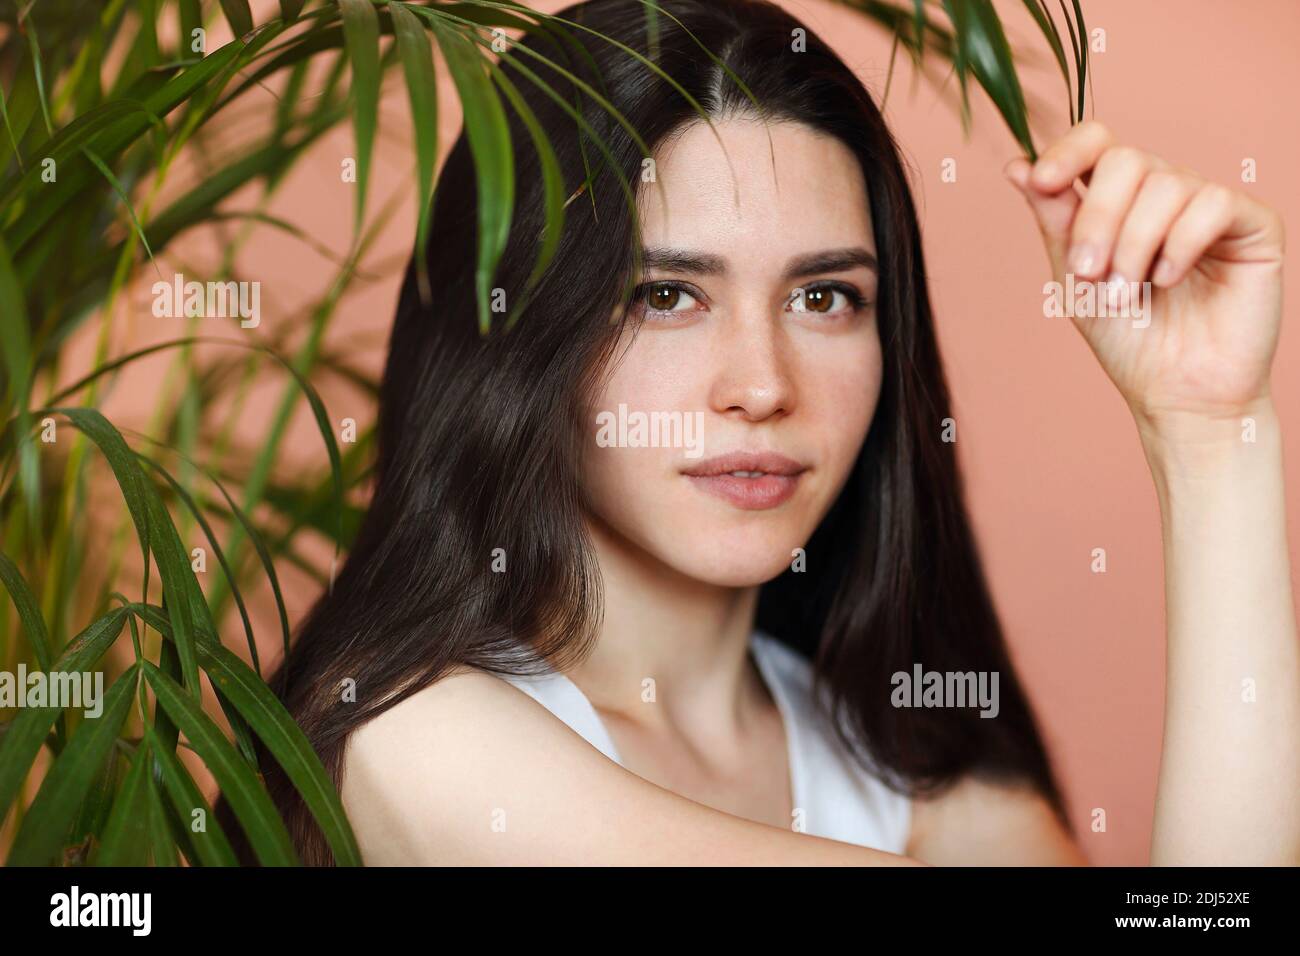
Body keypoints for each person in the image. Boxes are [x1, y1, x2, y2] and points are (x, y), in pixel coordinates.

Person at [240, 0, 1295, 865]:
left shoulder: (891, 757)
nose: (761, 386)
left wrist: (1208, 426)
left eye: (826, 297)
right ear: (517, 332)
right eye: (663, 295)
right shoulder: (415, 738)